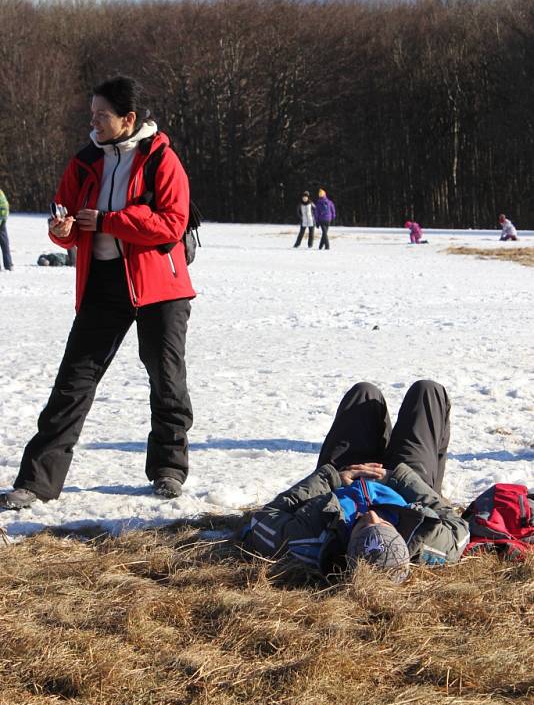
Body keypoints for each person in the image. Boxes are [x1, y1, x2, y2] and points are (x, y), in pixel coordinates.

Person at [0, 76, 195, 511]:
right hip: (102, 284)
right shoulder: (85, 160)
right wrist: (61, 230)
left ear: (128, 119)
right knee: (73, 381)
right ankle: (36, 482)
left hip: (160, 286)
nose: (94, 121)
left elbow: (171, 224)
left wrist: (109, 221)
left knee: (166, 379)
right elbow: (64, 218)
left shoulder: (162, 159)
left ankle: (168, 469)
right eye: (92, 114)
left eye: (101, 115)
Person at [241, 380, 469, 581]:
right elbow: (459, 527)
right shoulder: (430, 542)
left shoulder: (309, 541)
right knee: (428, 391)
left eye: (361, 526)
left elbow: (263, 520)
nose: (372, 515)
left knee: (364, 394)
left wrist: (331, 478)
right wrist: (399, 478)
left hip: (345, 476)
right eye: (386, 525)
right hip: (407, 483)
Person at [0, 188, 14, 271]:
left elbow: (4, 206)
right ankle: (8, 264)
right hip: (2, 220)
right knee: (5, 244)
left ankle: (8, 264)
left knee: (4, 244)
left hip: (1, 220)